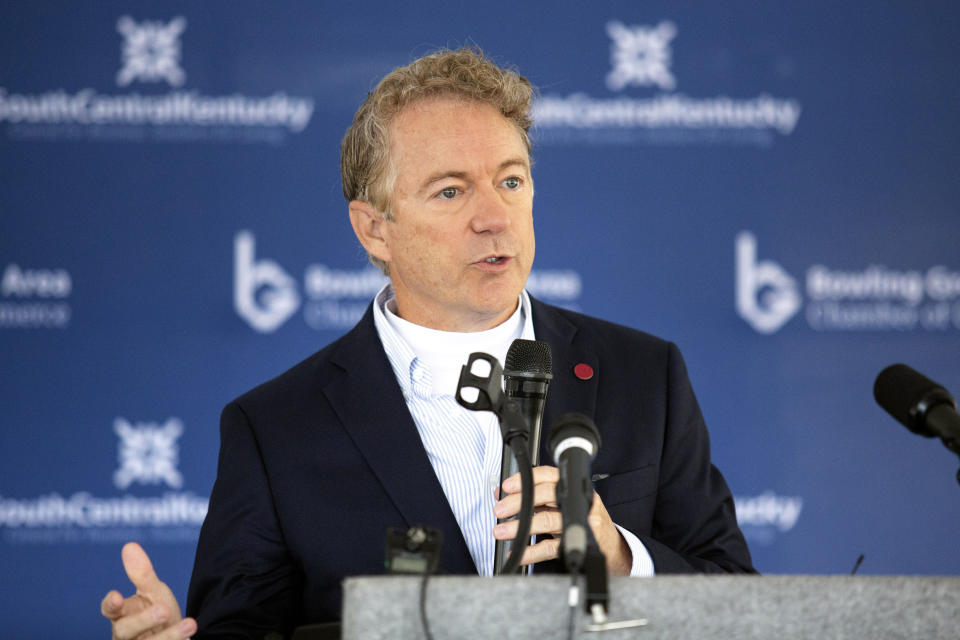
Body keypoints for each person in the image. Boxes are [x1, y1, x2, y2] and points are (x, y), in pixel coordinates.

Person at [101, 47, 754, 639]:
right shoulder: (275, 429)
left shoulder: (643, 375)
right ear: (374, 230)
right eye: (450, 190)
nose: (494, 217)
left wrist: (619, 557)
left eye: (511, 180)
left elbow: (742, 605)